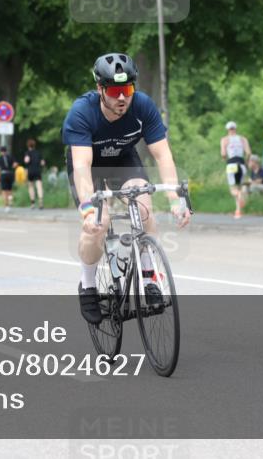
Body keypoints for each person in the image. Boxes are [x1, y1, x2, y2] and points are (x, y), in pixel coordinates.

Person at [63, 53, 191, 324]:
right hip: (90, 165)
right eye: (114, 91)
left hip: (123, 158)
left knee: (144, 207)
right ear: (100, 89)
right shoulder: (82, 112)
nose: (122, 98)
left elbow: (163, 155)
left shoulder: (143, 106)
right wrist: (88, 211)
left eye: (128, 89)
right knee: (100, 221)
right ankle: (87, 286)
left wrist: (174, 198)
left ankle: (149, 276)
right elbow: (83, 167)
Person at [220, 121, 251, 218]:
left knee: (233, 189)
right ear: (235, 128)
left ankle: (238, 198)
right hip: (241, 163)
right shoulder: (243, 139)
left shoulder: (225, 139)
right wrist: (245, 162)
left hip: (231, 164)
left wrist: (225, 160)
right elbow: (249, 153)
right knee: (240, 187)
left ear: (228, 129)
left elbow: (223, 154)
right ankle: (238, 211)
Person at [23, 139, 46, 209]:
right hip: (37, 171)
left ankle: (32, 203)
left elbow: (26, 160)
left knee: (31, 187)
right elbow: (43, 163)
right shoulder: (38, 153)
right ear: (34, 145)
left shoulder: (27, 153)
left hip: (30, 171)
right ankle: (41, 202)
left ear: (28, 145)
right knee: (39, 186)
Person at [0, 145, 16, 212]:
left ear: (1, 152)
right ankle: (10, 199)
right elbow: (15, 164)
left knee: (4, 191)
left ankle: (6, 206)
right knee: (10, 189)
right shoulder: (10, 157)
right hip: (10, 173)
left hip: (3, 174)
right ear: (6, 151)